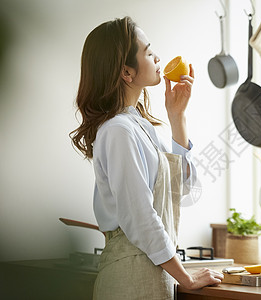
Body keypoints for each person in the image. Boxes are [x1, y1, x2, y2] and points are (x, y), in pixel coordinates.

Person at [70, 16, 223, 299]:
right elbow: (140, 217)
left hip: (154, 273)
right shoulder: (118, 131)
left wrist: (177, 117)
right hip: (128, 278)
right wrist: (186, 277)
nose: (158, 58)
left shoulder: (138, 125)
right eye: (149, 52)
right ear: (127, 73)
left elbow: (184, 191)